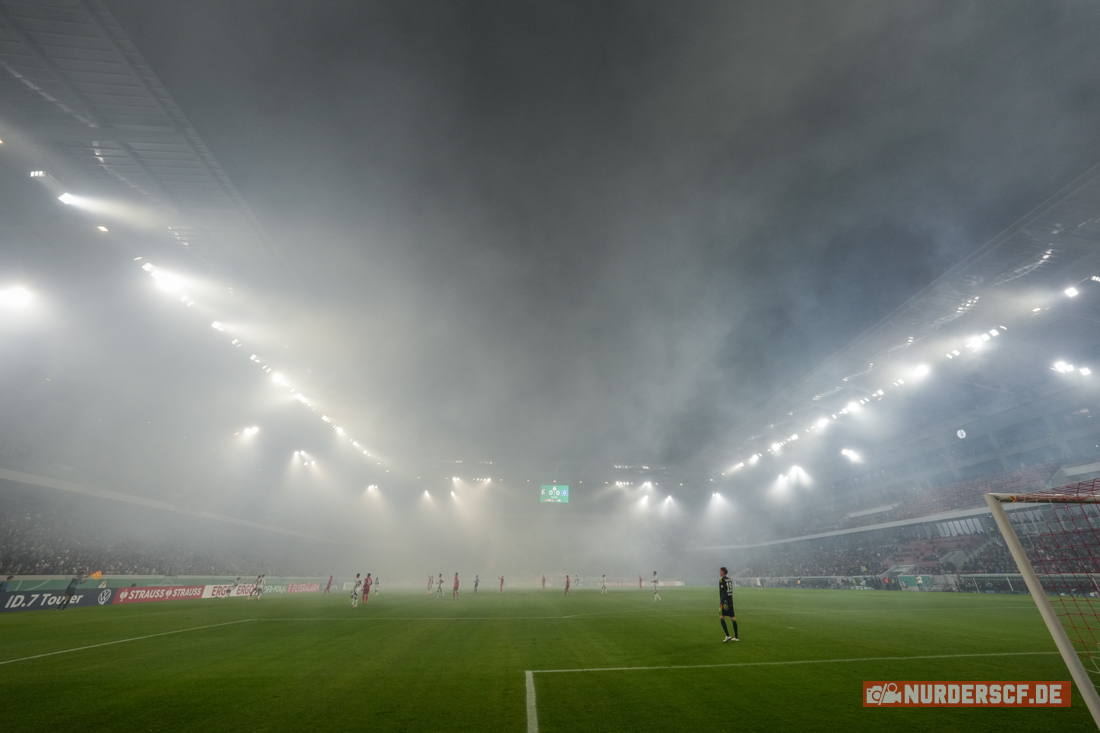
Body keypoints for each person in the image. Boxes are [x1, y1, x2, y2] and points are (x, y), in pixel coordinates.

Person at [718, 567, 739, 642]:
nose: (719, 572)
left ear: (723, 572)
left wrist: (723, 602)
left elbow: (723, 592)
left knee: (721, 617)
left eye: (720, 571)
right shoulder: (729, 579)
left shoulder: (721, 580)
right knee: (733, 618)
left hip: (724, 602)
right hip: (730, 601)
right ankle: (736, 637)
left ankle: (728, 635)